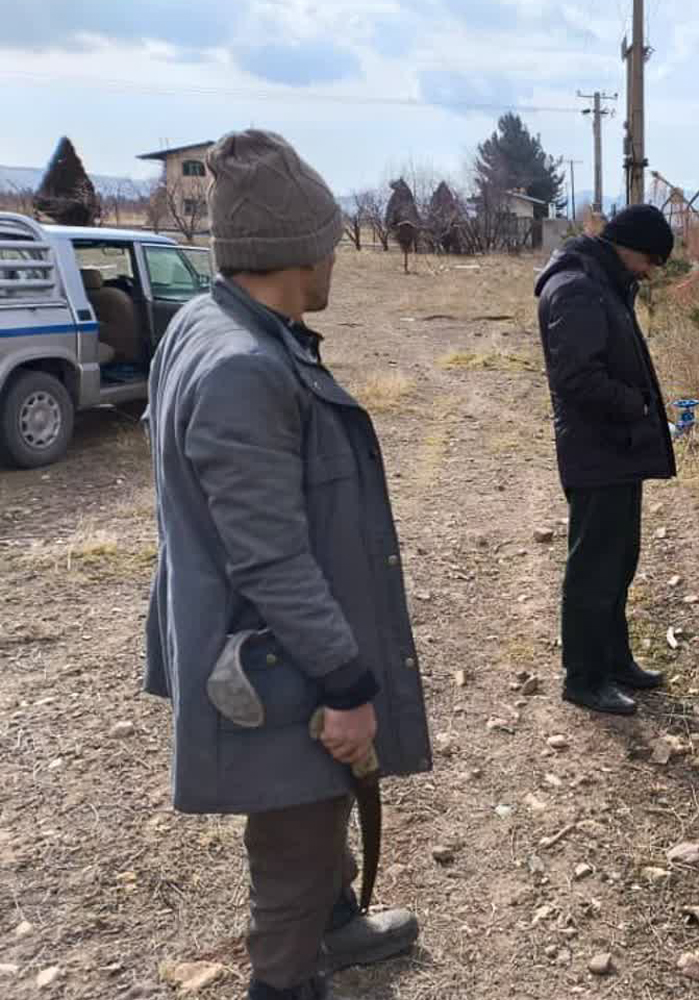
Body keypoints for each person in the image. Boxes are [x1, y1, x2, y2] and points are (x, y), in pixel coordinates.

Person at [145, 130, 432, 1000]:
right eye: (329, 239)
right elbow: (268, 558)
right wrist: (346, 683)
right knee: (298, 816)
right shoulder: (242, 366)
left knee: (309, 797)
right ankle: (285, 979)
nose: (337, 254)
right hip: (280, 656)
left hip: (269, 644)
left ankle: (335, 920)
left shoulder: (215, 322)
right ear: (295, 249)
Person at [534, 206, 677, 716]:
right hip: (598, 450)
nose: (651, 272)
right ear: (629, 246)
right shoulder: (576, 288)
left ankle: (614, 660)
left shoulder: (602, 282)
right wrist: (633, 404)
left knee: (619, 560)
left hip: (616, 449)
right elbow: (576, 378)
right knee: (594, 567)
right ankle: (584, 677)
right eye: (651, 261)